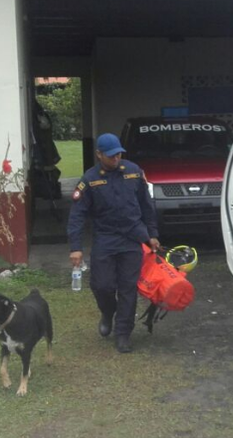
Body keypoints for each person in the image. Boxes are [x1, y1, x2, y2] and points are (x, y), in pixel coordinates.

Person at [68, 133, 160, 354]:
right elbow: (77, 215)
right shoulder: (90, 179)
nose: (116, 158)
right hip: (106, 238)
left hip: (132, 237)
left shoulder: (134, 172)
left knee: (128, 288)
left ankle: (123, 333)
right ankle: (108, 312)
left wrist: (152, 234)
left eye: (118, 154)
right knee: (102, 286)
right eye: (111, 155)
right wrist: (75, 247)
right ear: (99, 154)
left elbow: (147, 205)